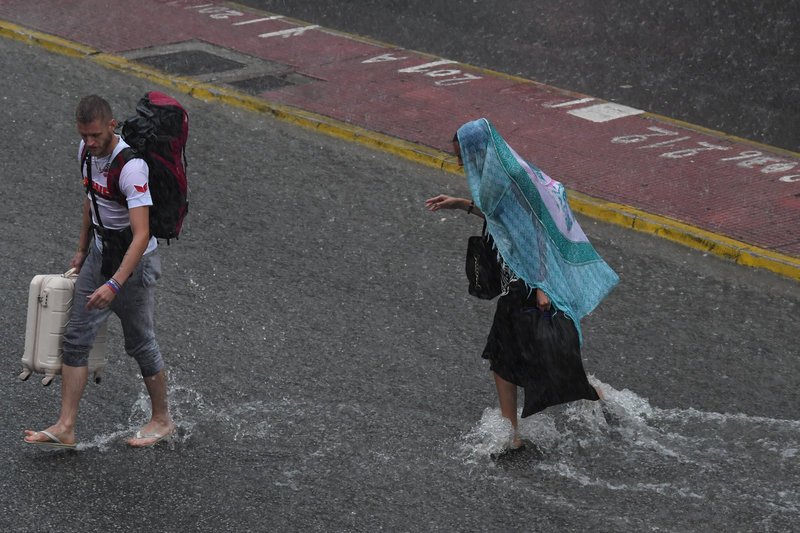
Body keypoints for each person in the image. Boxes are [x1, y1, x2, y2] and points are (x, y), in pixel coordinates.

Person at [425, 120, 618, 450]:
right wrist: (460, 204)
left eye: (462, 156)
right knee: (513, 354)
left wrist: (542, 285)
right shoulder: (500, 173)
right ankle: (525, 425)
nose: (460, 163)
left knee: (512, 355)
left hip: (526, 281)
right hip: (520, 277)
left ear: (478, 150)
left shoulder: (509, 178)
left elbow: (535, 230)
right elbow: (502, 220)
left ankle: (522, 427)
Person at [24, 95, 174, 449]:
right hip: (101, 252)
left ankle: (162, 419)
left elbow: (141, 235)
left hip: (134, 264)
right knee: (75, 339)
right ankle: (66, 426)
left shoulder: (131, 167)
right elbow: (91, 200)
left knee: (139, 342)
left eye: (94, 136)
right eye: (83, 136)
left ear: (111, 125)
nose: (89, 143)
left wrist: (114, 283)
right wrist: (81, 250)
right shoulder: (86, 153)